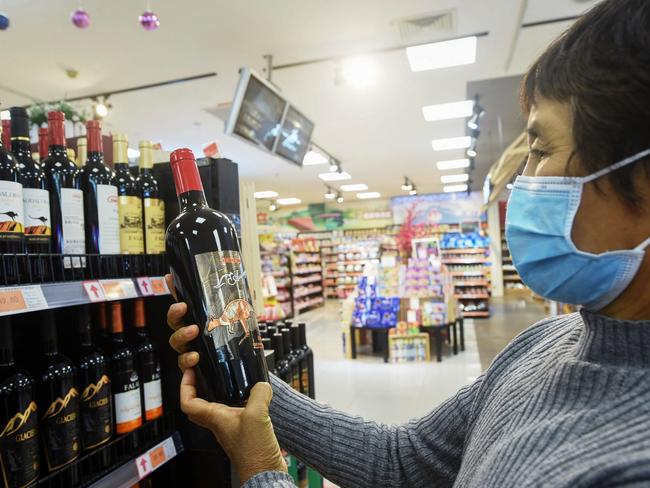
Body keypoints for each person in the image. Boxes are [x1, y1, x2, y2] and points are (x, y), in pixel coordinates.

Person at [167, 0, 650, 486]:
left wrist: (259, 466)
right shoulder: (547, 341)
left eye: (541, 149)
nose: (522, 185)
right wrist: (245, 378)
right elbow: (402, 459)